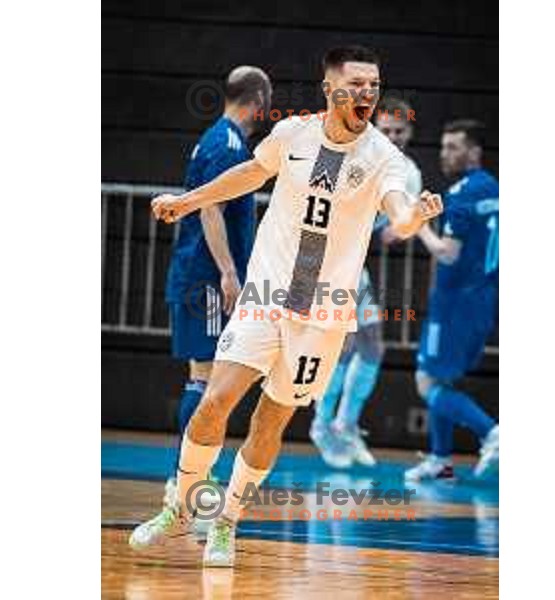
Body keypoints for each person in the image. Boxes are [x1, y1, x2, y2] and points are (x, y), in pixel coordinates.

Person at [151, 45, 443, 568]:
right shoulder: (292, 134)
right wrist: (188, 201)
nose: (367, 94)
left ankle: (226, 522)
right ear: (330, 89)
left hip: (323, 313)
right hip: (267, 295)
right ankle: (182, 503)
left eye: (373, 85)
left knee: (270, 422)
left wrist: (411, 218)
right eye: (356, 84)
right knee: (214, 399)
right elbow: (248, 174)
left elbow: (398, 210)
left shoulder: (384, 158)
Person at [129, 66, 272, 548]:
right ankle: (184, 490)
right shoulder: (227, 145)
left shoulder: (217, 138)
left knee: (207, 379)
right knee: (206, 379)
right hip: (207, 279)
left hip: (202, 276)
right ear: (258, 102)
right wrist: (229, 272)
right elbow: (210, 208)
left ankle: (188, 490)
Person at [310, 96, 423, 468]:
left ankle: (343, 423)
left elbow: (401, 223)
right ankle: (324, 425)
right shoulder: (356, 156)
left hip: (356, 264)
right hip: (330, 260)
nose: (394, 136)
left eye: (400, 131)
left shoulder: (408, 170)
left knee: (371, 347)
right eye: (387, 129)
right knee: (343, 346)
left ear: (410, 133)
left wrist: (404, 228)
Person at [405, 119, 499, 482]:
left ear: (474, 151)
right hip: (482, 300)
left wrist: (421, 224)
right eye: (443, 146)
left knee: (426, 382)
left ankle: (493, 433)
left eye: (453, 147)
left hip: (454, 304)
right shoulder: (491, 186)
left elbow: (446, 253)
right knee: (446, 380)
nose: (445, 153)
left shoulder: (460, 195)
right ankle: (440, 460)